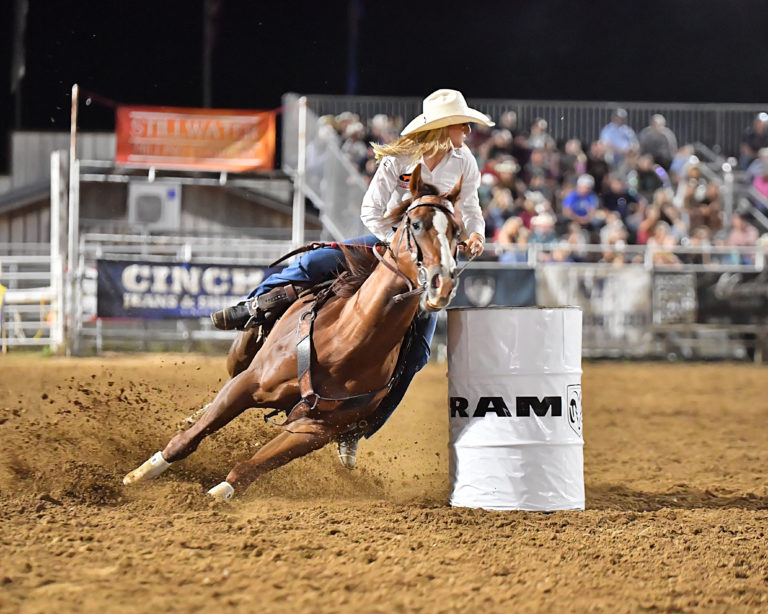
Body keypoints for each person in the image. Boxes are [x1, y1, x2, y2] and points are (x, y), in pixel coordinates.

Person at [211, 88, 493, 468]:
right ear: (446, 127)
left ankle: (359, 426)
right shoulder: (401, 157)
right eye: (463, 124)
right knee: (315, 263)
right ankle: (254, 305)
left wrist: (476, 234)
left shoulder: (465, 162)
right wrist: (396, 247)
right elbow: (371, 211)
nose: (468, 131)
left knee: (417, 353)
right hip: (389, 244)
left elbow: (472, 209)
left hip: (428, 261)